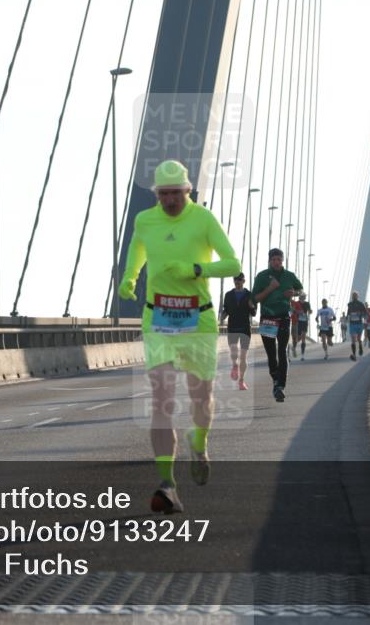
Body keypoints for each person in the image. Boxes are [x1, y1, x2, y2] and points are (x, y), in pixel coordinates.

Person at [119, 160, 241, 514]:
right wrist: (129, 279)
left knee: (202, 398)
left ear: (188, 191)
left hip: (197, 320)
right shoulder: (145, 220)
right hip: (157, 318)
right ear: (156, 193)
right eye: (164, 194)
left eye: (176, 193)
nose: (170, 200)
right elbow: (136, 253)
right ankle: (167, 485)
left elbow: (233, 264)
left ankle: (199, 442)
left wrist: (195, 270)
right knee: (161, 397)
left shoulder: (203, 220)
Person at [252, 248, 303, 402]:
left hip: (284, 317)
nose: (276, 262)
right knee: (271, 355)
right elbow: (255, 298)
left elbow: (300, 290)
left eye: (279, 260)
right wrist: (270, 288)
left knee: (282, 351)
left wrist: (293, 293)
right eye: (273, 259)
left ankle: (280, 386)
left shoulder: (289, 276)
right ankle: (275, 380)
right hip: (267, 318)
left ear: (282, 260)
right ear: (269, 260)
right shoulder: (262, 276)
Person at [220, 273, 255, 391]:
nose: (237, 282)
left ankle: (241, 381)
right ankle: (234, 365)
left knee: (243, 356)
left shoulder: (250, 295)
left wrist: (251, 306)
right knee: (234, 353)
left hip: (245, 328)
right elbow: (226, 309)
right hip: (233, 327)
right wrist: (222, 317)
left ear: (244, 281)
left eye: (239, 280)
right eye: (235, 279)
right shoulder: (228, 295)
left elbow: (254, 313)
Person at [290, 292, 313, 360]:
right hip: (298, 321)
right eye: (302, 296)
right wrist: (298, 311)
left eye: (304, 296)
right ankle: (293, 347)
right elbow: (292, 310)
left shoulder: (307, 303)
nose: (303, 297)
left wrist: (310, 311)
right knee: (298, 338)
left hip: (305, 321)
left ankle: (302, 355)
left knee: (303, 337)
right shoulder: (296, 303)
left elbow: (309, 311)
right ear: (299, 297)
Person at [346, 291, 368, 361]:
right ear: (352, 297)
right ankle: (354, 355)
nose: (354, 297)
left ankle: (360, 346)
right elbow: (348, 313)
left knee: (358, 339)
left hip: (359, 324)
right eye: (353, 295)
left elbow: (366, 313)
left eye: (355, 295)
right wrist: (347, 317)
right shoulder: (349, 304)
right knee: (353, 339)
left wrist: (361, 315)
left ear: (358, 296)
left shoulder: (361, 304)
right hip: (352, 324)